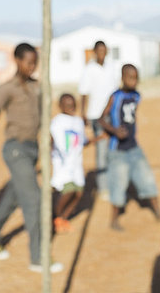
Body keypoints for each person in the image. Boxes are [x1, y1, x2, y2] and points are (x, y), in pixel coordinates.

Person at [0, 43, 63, 273]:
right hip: (15, 150)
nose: (32, 67)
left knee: (13, 196)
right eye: (28, 62)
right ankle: (38, 258)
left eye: (35, 63)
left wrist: (48, 136)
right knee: (34, 200)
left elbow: (41, 117)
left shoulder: (38, 87)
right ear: (17, 61)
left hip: (32, 150)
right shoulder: (6, 88)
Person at [99, 64, 160, 231]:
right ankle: (113, 220)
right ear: (122, 78)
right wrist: (114, 130)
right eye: (130, 77)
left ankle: (158, 213)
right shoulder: (115, 96)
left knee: (147, 178)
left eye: (136, 78)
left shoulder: (137, 96)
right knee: (118, 184)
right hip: (117, 150)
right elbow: (101, 119)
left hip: (134, 146)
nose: (133, 81)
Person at [79, 41, 118, 200]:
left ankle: (114, 181)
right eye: (99, 50)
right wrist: (83, 113)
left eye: (104, 50)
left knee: (113, 149)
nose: (102, 53)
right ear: (95, 52)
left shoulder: (112, 66)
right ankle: (103, 188)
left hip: (112, 114)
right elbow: (83, 92)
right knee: (101, 149)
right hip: (96, 115)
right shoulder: (89, 69)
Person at [51, 93, 93, 233]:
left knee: (78, 193)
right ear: (61, 106)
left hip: (76, 164)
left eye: (73, 104)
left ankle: (63, 218)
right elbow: (52, 141)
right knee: (68, 190)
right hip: (62, 163)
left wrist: (99, 138)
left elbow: (83, 142)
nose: (71, 107)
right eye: (68, 105)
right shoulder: (57, 121)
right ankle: (56, 217)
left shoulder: (78, 122)